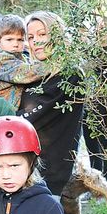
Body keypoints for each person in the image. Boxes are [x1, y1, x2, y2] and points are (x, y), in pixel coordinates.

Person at [19, 11, 85, 198]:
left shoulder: (70, 74)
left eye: (42, 34)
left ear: (56, 35)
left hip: (50, 172)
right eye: (31, 37)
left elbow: (36, 115)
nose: (36, 42)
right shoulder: (33, 75)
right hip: (26, 167)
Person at [0, 14, 53, 107]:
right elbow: (27, 73)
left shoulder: (21, 56)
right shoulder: (0, 59)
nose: (15, 44)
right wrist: (54, 65)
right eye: (9, 39)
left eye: (20, 40)